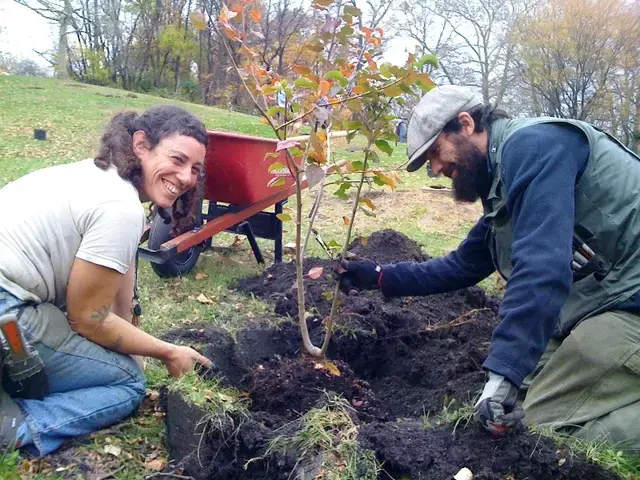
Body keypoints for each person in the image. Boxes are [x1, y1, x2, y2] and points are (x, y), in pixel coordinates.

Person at [338, 85, 640, 450]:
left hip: (630, 305)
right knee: (514, 408)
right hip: (601, 303)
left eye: (435, 152)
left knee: (541, 433)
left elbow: (541, 268)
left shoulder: (536, 146)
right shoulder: (503, 181)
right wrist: (380, 276)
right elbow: (464, 264)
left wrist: (501, 379)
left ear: (465, 124)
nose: (435, 169)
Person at [0, 105, 214, 456]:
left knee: (118, 359)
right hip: (8, 307)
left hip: (12, 293)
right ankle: (19, 426)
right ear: (141, 144)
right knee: (128, 382)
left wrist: (135, 342)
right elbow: (88, 317)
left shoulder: (99, 177)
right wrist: (168, 352)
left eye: (195, 169)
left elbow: (120, 288)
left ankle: (17, 372)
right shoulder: (120, 207)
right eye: (177, 159)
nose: (187, 177)